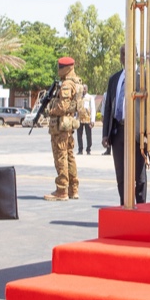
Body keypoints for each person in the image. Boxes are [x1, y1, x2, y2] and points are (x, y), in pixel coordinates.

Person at [102, 64, 147, 204]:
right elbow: (108, 106)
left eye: (127, 52)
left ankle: (140, 206)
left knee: (139, 175)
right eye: (122, 53)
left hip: (137, 132)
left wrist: (147, 133)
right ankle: (125, 205)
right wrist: (105, 134)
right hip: (118, 131)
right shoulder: (114, 78)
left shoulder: (145, 77)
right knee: (121, 174)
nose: (124, 56)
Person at [44, 56, 86, 201]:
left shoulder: (67, 85)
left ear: (67, 68)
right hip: (68, 125)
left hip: (61, 126)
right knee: (69, 156)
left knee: (61, 156)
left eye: (60, 68)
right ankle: (73, 189)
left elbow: (63, 107)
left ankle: (62, 189)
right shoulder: (76, 82)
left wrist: (50, 111)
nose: (58, 71)